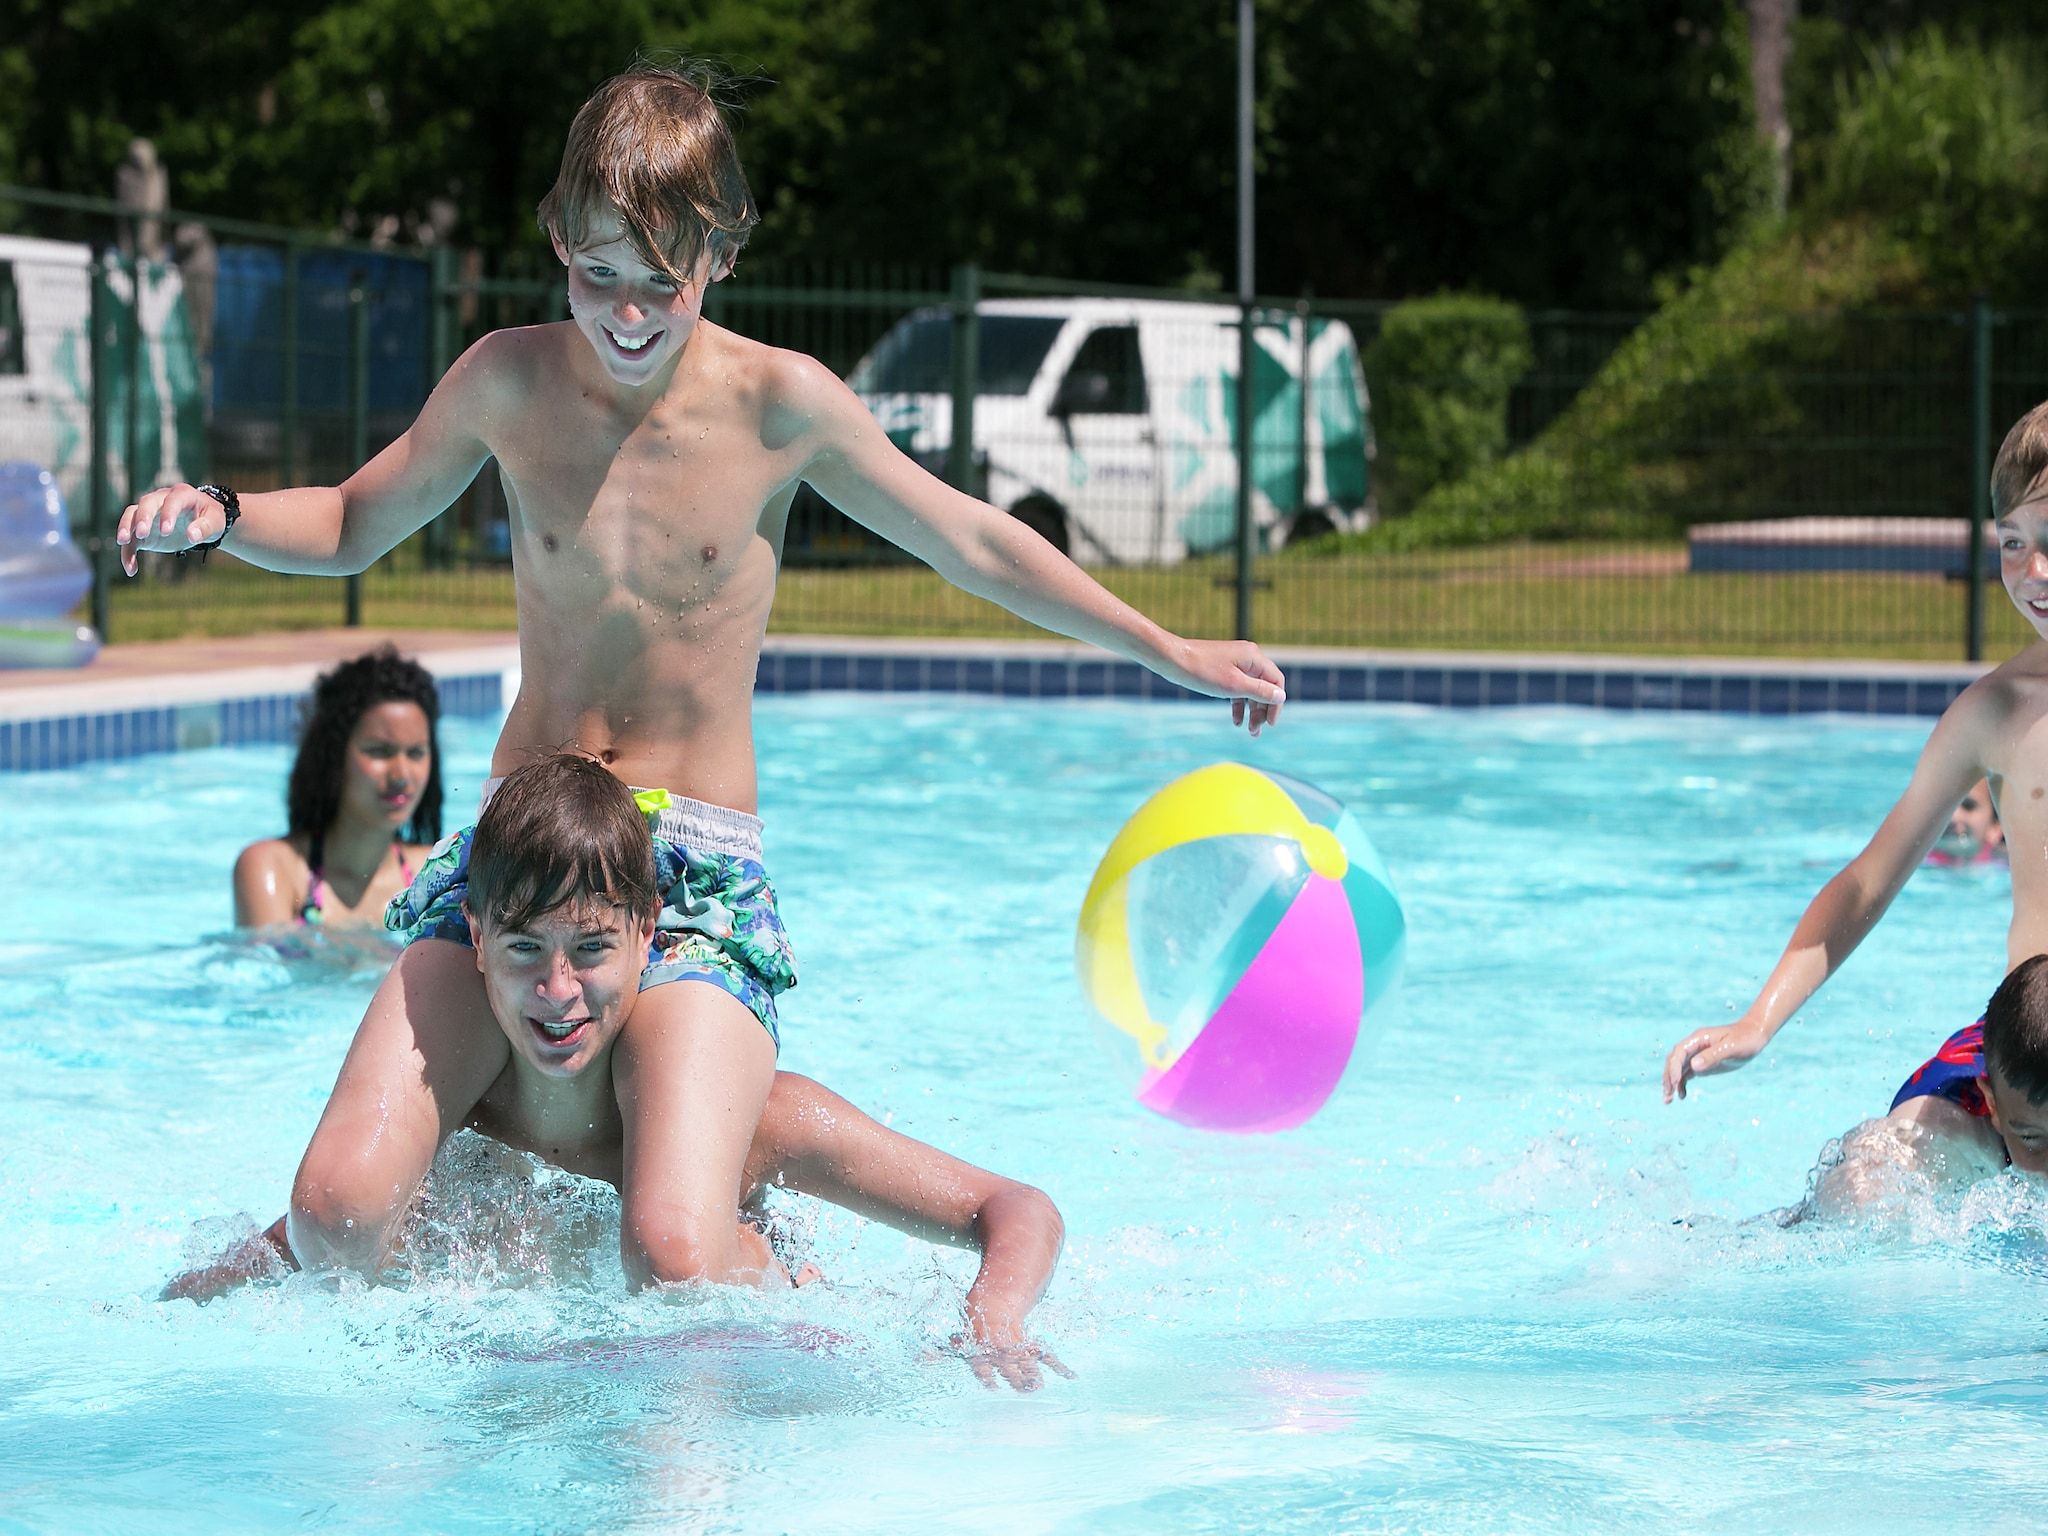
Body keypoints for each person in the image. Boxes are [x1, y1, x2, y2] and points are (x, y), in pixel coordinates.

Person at [117, 63, 1285, 1289]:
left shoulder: (781, 405)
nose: (624, 313)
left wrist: (1171, 648)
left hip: (691, 870)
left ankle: (770, 1262)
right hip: (524, 845)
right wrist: (224, 512)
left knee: (671, 1255)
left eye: (657, 284)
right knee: (338, 1219)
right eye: (596, 276)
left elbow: (975, 542)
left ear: (720, 253)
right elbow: (357, 519)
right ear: (559, 242)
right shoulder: (506, 382)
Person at [168, 756, 1069, 1390]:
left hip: (744, 1388)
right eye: (525, 949)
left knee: (680, 1259)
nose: (558, 992)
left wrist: (992, 1319)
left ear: (649, 937)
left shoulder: (751, 1128)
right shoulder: (463, 1115)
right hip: (521, 1423)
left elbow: (1016, 1209)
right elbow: (308, 1239)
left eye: (592, 949)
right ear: (474, 941)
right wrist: (175, 1306)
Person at [1663, 398, 2048, 1105]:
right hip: (2027, 1059)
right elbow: (1869, 880)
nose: (2034, 570)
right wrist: (1757, 1023)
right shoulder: (1991, 713)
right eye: (2013, 541)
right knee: (1877, 1170)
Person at [1799, 955, 2048, 1218]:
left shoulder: (2025, 1111)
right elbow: (1859, 1192)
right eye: (2032, 1139)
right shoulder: (1940, 1136)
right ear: (1992, 1103)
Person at [233, 646, 442, 930]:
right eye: (379, 751)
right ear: (333, 755)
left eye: (416, 753)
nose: (402, 775)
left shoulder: (434, 876)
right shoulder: (275, 870)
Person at [1925, 776, 2005, 867]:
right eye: (1945, 804)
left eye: (1968, 806)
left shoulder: (2004, 864)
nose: (1953, 817)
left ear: (1995, 827)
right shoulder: (1919, 858)